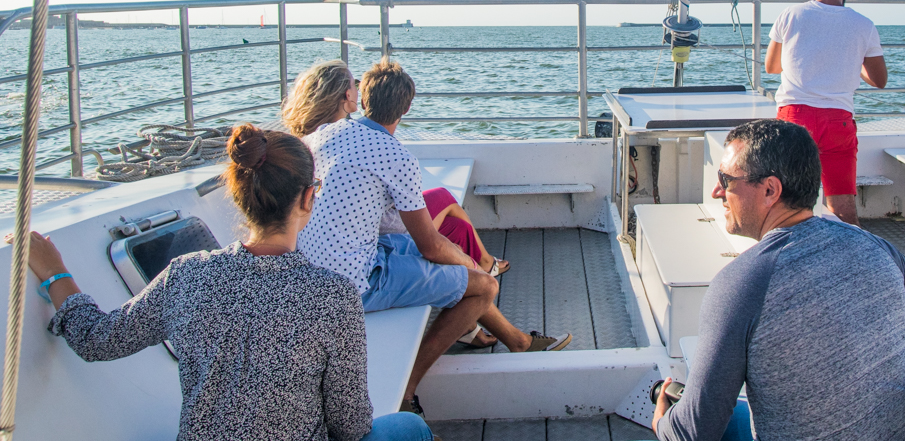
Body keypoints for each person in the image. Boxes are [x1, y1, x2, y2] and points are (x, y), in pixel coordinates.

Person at [6, 125, 432, 441]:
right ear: (308, 198)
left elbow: (97, 340)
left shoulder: (187, 275)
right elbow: (351, 426)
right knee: (410, 428)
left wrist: (56, 270)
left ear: (237, 195)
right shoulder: (332, 295)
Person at [653, 119, 905, 441]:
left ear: (770, 190)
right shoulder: (873, 246)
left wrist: (662, 423)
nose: (717, 191)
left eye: (725, 180)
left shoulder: (742, 284)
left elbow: (694, 432)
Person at [298, 60, 571, 418]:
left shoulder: (320, 136)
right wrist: (475, 270)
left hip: (318, 268)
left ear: (362, 98)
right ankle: (407, 393)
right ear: (407, 108)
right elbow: (429, 244)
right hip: (354, 282)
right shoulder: (395, 154)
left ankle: (518, 341)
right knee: (484, 286)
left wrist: (463, 261)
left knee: (457, 257)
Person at [283, 60, 508, 276]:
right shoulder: (382, 149)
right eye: (354, 85)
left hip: (332, 242)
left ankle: (482, 269)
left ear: (363, 102)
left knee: (454, 226)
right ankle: (484, 268)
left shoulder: (325, 138)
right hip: (370, 239)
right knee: (444, 201)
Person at [765, 0, 887, 225]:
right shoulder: (864, 25)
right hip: (837, 122)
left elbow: (772, 66)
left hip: (794, 118)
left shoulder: (790, 15)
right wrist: (850, 62)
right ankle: (855, 265)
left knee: (786, 203)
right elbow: (879, 80)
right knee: (843, 207)